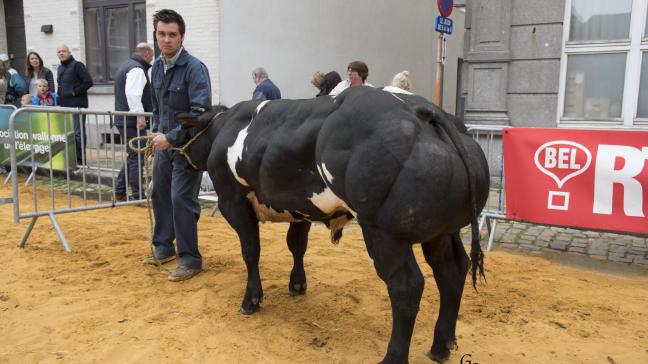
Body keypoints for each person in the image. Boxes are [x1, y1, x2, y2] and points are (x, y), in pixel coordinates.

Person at [147, 9, 212, 281]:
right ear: (156, 35)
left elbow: (200, 113)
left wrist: (171, 137)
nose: (166, 39)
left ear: (181, 37)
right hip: (163, 144)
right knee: (159, 193)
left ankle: (190, 259)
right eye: (161, 34)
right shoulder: (156, 69)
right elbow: (157, 108)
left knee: (181, 199)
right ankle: (163, 247)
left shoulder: (195, 69)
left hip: (188, 148)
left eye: (172, 34)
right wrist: (155, 135)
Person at [113, 42, 154, 201]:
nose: (151, 60)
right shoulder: (137, 69)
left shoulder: (127, 66)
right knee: (137, 157)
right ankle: (138, 195)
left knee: (133, 155)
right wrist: (140, 115)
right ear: (146, 54)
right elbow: (132, 93)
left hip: (125, 120)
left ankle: (120, 191)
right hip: (132, 121)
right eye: (151, 56)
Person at [56, 44, 93, 166]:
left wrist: (74, 91)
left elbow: (88, 82)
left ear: (69, 52)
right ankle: (72, 160)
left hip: (77, 106)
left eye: (64, 51)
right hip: (64, 106)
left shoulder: (77, 65)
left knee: (78, 134)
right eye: (59, 52)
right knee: (68, 135)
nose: (61, 53)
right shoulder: (60, 68)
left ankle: (81, 161)